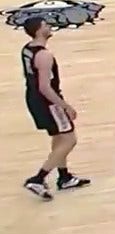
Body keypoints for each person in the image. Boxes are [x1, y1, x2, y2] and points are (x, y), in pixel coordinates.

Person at [21, 16, 90, 200]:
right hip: (47, 101)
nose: (50, 26)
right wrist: (65, 106)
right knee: (69, 139)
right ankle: (38, 178)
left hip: (33, 98)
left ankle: (64, 177)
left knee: (59, 137)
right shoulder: (44, 55)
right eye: (45, 25)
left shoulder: (27, 49)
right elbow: (45, 87)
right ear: (38, 30)